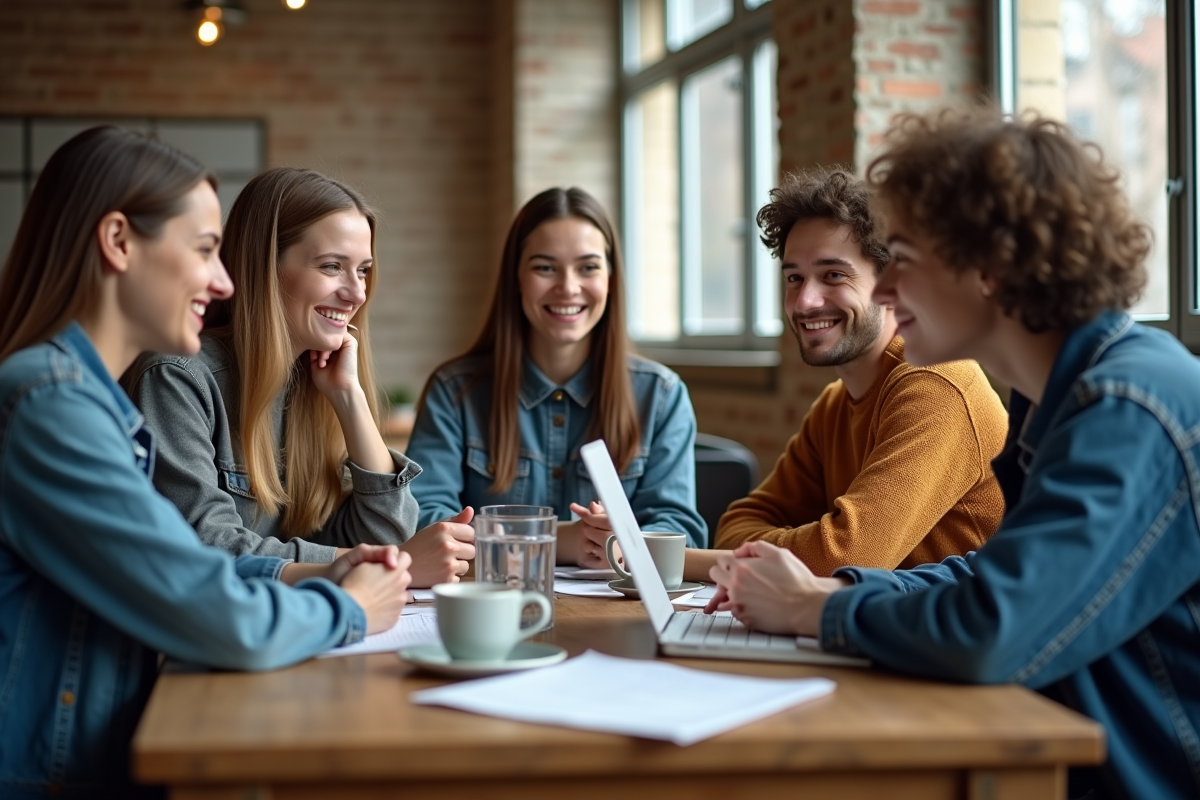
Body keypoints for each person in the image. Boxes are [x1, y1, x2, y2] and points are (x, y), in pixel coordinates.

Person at [707, 107, 1200, 800]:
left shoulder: (1128, 407)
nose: (882, 290)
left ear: (989, 267)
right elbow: (993, 576)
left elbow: (993, 628)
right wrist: (832, 591)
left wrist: (816, 612)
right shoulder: (1054, 399)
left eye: (902, 260)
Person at [0, 127, 411, 799]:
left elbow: (183, 567)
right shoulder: (53, 404)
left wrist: (333, 569)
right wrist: (347, 605)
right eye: (203, 250)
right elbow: (211, 607)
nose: (223, 281)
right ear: (118, 242)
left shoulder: (88, 402)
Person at [125, 168, 474, 587]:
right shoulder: (178, 378)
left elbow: (385, 535)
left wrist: (350, 398)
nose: (357, 293)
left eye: (363, 270)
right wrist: (390, 565)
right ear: (264, 267)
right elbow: (206, 547)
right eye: (332, 266)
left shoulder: (314, 382)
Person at [683, 167, 1007, 582]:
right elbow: (738, 524)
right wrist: (806, 548)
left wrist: (685, 561)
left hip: (965, 621)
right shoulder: (835, 403)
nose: (805, 301)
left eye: (833, 275)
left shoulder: (938, 385)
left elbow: (843, 558)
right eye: (794, 278)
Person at [406, 187, 706, 565]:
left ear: (611, 278)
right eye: (545, 268)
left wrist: (622, 543)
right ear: (516, 277)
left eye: (588, 267)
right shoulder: (454, 393)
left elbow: (679, 529)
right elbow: (422, 522)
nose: (568, 287)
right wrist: (557, 541)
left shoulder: (661, 396)